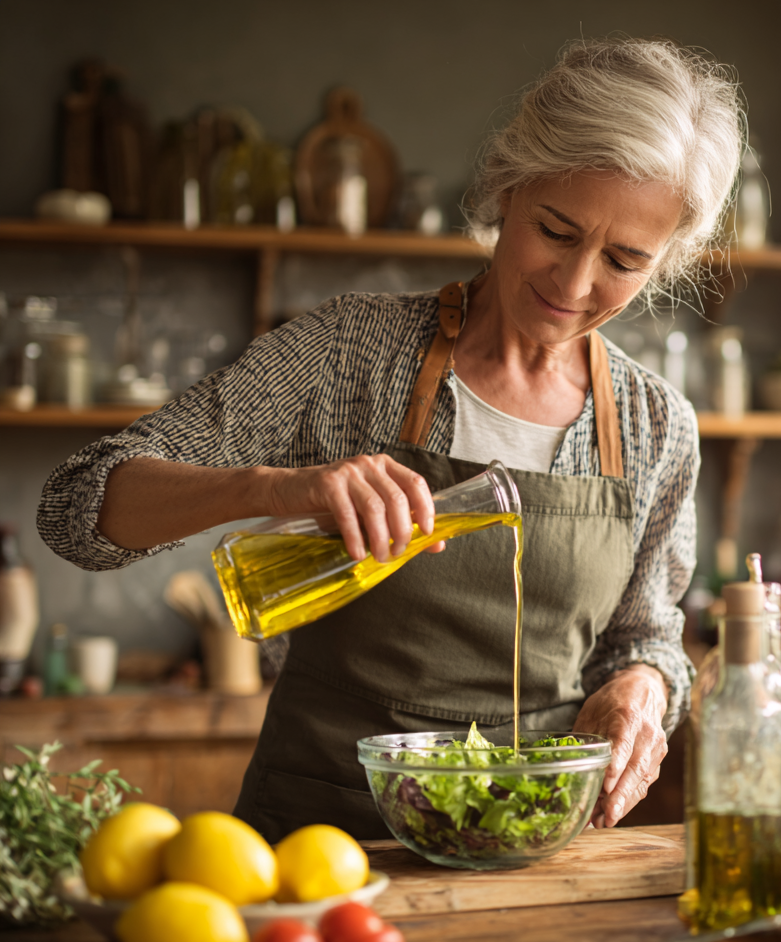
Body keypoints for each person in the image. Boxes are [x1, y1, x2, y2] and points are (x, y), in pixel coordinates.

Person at [38, 37, 743, 840]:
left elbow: (644, 634)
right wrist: (274, 488)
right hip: (322, 846)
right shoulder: (348, 354)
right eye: (555, 230)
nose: (574, 284)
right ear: (507, 189)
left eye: (623, 260)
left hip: (529, 851)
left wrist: (643, 688)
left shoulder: (656, 428)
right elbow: (77, 509)